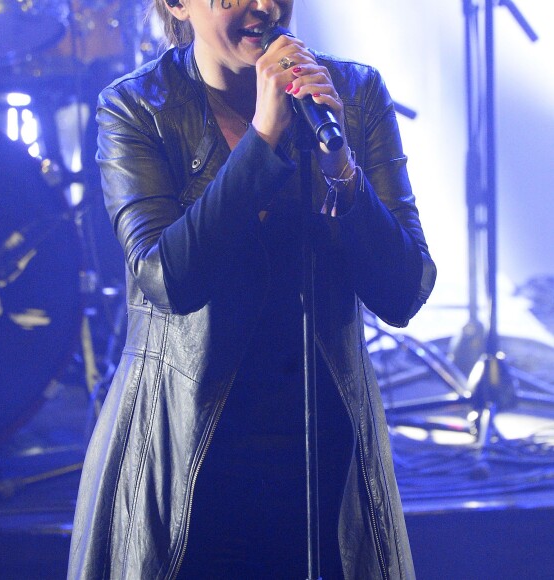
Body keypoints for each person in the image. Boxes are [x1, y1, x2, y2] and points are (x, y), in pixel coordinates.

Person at [67, 0, 436, 578]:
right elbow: (169, 280)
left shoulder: (352, 95)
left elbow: (404, 290)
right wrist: (263, 138)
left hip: (323, 450)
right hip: (186, 447)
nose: (265, 5)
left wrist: (341, 165)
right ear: (177, 5)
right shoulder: (138, 105)